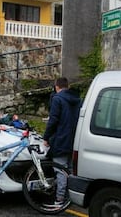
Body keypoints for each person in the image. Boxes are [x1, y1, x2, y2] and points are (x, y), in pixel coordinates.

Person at [43, 77, 81, 206]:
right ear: (68, 86)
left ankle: (59, 199)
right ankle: (71, 197)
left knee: (60, 170)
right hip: (75, 139)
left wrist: (46, 137)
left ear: (56, 87)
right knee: (70, 170)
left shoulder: (57, 99)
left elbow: (53, 120)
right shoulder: (78, 99)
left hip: (60, 139)